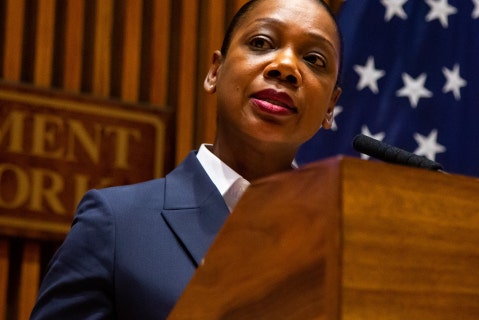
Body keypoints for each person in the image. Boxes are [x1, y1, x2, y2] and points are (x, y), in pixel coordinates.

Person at [30, 0, 342, 318]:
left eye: (314, 59)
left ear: (330, 106)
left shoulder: (346, 246)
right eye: (261, 43)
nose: (286, 66)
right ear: (215, 72)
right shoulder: (116, 225)